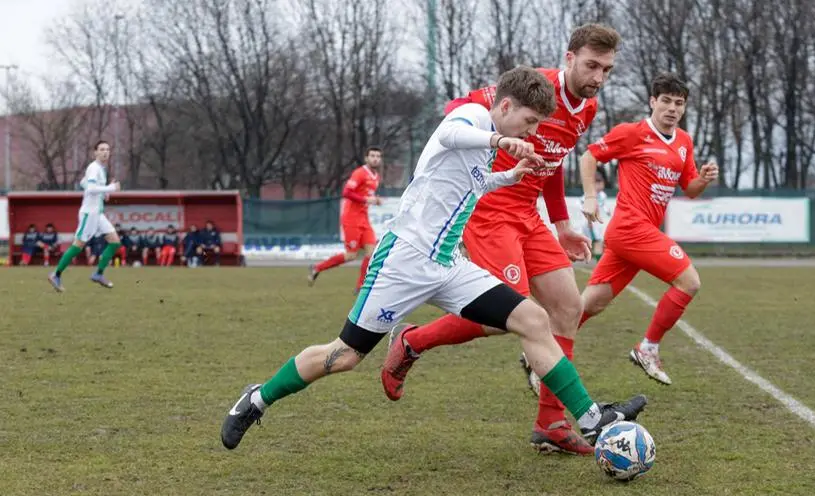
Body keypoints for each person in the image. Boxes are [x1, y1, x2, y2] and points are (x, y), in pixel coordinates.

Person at [220, 66, 647, 452]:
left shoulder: (486, 144)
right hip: (403, 262)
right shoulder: (473, 120)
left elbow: (465, 188)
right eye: (529, 122)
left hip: (447, 265)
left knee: (533, 320)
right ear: (505, 105)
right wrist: (502, 140)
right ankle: (257, 399)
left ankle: (594, 422)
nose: (532, 132)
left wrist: (507, 175)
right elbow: (447, 135)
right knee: (345, 357)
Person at [381, 24, 621, 456]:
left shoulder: (586, 109)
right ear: (568, 59)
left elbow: (549, 164)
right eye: (591, 66)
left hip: (528, 215)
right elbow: (461, 109)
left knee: (567, 307)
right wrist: (487, 139)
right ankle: (412, 341)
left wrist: (563, 224)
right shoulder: (534, 88)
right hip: (491, 211)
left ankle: (552, 423)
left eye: (606, 69)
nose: (598, 77)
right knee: (505, 313)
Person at [578, 72, 718, 386]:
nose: (672, 108)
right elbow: (589, 156)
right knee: (689, 281)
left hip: (634, 237)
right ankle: (648, 347)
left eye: (678, 103)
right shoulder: (631, 133)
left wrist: (704, 178)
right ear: (653, 102)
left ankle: (541, 352)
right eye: (665, 101)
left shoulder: (683, 141)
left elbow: (690, 189)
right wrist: (590, 198)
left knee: (591, 303)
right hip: (630, 228)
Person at [48, 141, 122, 291]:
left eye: (107, 149)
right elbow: (92, 188)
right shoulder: (94, 168)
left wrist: (104, 194)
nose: (105, 152)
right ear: (95, 152)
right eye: (101, 149)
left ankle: (98, 274)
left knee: (114, 242)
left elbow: (84, 183)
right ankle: (56, 274)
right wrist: (111, 188)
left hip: (98, 213)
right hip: (89, 213)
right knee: (78, 246)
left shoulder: (101, 168)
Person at [308, 147, 383, 291]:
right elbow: (347, 192)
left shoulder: (376, 177)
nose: (375, 159)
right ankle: (317, 268)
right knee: (351, 256)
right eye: (372, 156)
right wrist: (366, 199)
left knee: (371, 252)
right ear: (366, 158)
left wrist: (375, 200)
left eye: (378, 156)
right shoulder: (360, 173)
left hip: (364, 219)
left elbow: (367, 196)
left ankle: (360, 286)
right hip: (351, 218)